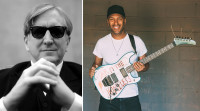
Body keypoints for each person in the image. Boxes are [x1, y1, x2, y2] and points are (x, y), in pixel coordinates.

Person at [0, 4, 82, 111]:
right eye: (38, 31)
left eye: (57, 31)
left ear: (67, 41)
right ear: (26, 42)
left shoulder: (87, 79)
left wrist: (72, 101)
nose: (48, 40)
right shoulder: (1, 79)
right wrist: (7, 103)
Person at [89, 5, 149, 111]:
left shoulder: (136, 41)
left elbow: (146, 64)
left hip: (131, 97)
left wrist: (142, 67)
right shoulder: (101, 42)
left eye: (119, 19)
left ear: (124, 21)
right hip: (108, 97)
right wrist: (93, 70)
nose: (115, 23)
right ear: (108, 22)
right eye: (112, 19)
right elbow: (96, 64)